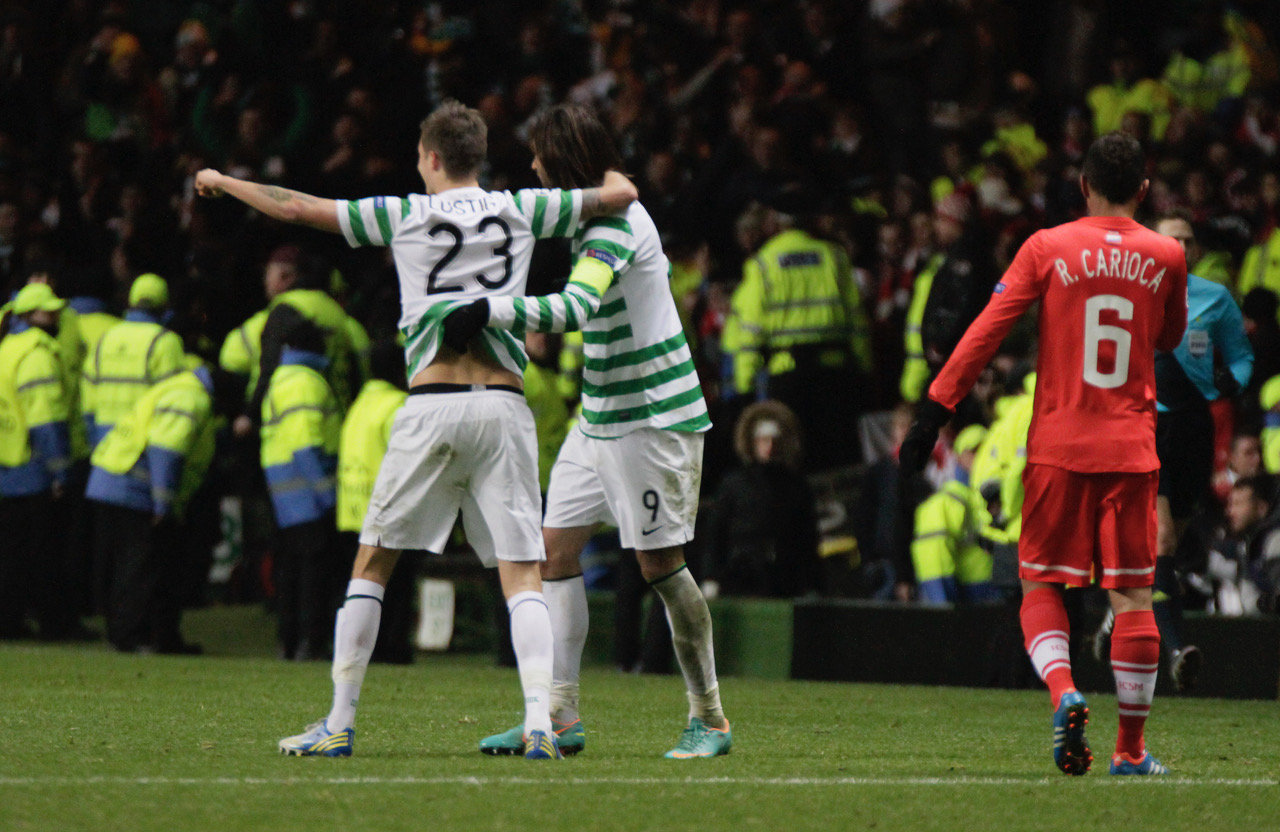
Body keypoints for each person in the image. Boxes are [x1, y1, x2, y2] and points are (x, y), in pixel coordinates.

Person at [196, 99, 637, 759]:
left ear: (429, 157)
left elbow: (296, 207)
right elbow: (620, 192)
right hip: (504, 405)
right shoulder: (521, 208)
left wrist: (224, 181)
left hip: (431, 403)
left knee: (373, 563)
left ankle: (339, 723)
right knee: (523, 574)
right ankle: (541, 723)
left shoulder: (403, 212)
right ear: (478, 158)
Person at [443, 104, 730, 759]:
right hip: (601, 415)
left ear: (566, 159)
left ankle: (709, 718)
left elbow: (573, 309)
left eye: (543, 157)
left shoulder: (618, 227)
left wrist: (492, 309)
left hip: (654, 420)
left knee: (660, 567)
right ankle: (560, 716)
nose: (536, 168)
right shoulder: (589, 218)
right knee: (551, 552)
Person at [900, 133, 1188, 776]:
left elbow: (984, 332)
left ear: (1082, 185)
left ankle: (1065, 693)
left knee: (1040, 583)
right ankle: (1130, 750)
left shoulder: (1047, 247)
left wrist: (933, 413)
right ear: (1143, 191)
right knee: (1134, 598)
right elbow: (1169, 335)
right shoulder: (1168, 253)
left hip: (1059, 447)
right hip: (1132, 451)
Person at [1094, 210, 1253, 691]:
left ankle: (1116, 612)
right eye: (1172, 241)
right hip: (1146, 426)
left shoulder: (1214, 298)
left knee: (1169, 544)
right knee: (1161, 540)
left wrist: (1235, 380)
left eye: (1187, 241)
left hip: (1195, 430)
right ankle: (1177, 649)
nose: (1180, 249)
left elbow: (1242, 356)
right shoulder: (1129, 295)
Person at [85, 360, 234, 653]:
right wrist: (163, 505)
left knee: (139, 565)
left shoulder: (180, 388)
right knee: (141, 567)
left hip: (115, 480)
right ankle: (132, 636)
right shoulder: (191, 398)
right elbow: (166, 450)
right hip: (134, 489)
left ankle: (153, 636)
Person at [723, 184, 871, 470]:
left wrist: (745, 386)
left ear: (776, 222)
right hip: (834, 374)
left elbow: (750, 332)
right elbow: (857, 323)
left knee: (794, 461)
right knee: (837, 460)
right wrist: (864, 368)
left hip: (787, 378)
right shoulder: (835, 257)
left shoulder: (763, 264)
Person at [258, 319, 343, 661]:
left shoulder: (282, 379)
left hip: (286, 494)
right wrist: (328, 495)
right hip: (308, 494)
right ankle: (310, 642)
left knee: (292, 573)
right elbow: (307, 445)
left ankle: (290, 642)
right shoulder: (306, 382)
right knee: (313, 575)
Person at [0, 284, 74, 639]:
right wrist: (60, 469)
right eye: (48, 311)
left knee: (11, 553)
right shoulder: (38, 353)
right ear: (30, 316)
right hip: (33, 466)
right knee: (47, 553)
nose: (56, 315)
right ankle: (54, 623)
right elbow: (45, 419)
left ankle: (9, 621)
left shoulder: (7, 348)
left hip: (6, 462)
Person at [335, 340, 413, 664]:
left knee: (361, 585)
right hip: (387, 511)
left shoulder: (359, 403)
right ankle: (390, 649)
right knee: (394, 588)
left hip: (351, 510)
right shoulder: (398, 404)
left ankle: (357, 649)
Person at [702, 400, 819, 599]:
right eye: (763, 440)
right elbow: (716, 533)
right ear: (752, 442)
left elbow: (808, 536)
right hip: (742, 577)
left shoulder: (796, 485)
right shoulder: (733, 484)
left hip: (785, 578)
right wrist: (711, 576)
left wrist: (814, 583)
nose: (769, 447)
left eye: (775, 440)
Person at [911, 423, 1000, 605]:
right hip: (972, 597)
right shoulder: (945, 503)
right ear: (959, 457)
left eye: (990, 450)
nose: (984, 456)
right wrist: (944, 606)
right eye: (975, 450)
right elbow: (933, 562)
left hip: (1005, 591)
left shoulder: (1005, 496)